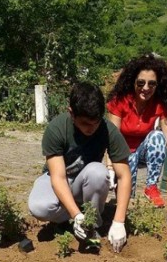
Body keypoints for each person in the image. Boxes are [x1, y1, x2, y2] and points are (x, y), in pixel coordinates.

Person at [28, 82, 131, 252]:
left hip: (85, 180)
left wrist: (119, 221)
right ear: (71, 113)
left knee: (98, 173)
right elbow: (58, 177)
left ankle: (91, 225)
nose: (90, 129)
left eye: (95, 123)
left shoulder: (108, 130)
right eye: (84, 123)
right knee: (39, 207)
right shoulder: (57, 129)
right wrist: (76, 215)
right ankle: (69, 220)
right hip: (59, 179)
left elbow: (124, 175)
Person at [106, 54, 167, 208]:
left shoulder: (159, 103)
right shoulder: (120, 101)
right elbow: (112, 136)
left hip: (143, 150)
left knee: (158, 137)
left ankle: (151, 187)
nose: (146, 88)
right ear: (132, 82)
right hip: (123, 154)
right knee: (126, 197)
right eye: (140, 83)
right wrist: (110, 167)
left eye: (151, 84)